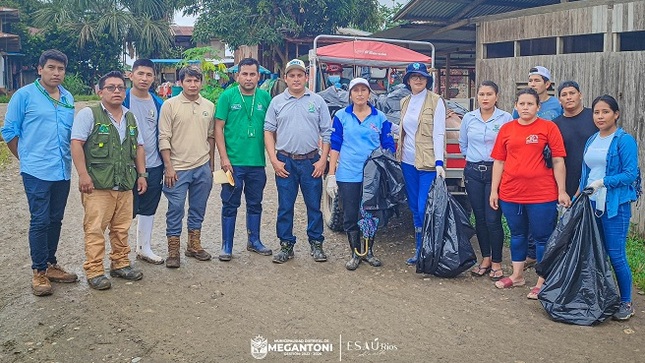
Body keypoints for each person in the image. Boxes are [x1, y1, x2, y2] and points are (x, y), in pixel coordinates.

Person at [1, 49, 78, 296]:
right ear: (40, 69)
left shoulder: (67, 98)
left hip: (62, 169)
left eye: (61, 69)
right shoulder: (24, 96)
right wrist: (26, 159)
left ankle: (51, 264)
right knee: (40, 220)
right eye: (51, 68)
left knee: (56, 219)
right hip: (36, 171)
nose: (56, 73)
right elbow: (9, 132)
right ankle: (39, 271)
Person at [489, 88, 570, 299]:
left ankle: (542, 281)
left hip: (542, 194)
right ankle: (517, 276)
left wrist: (561, 190)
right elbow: (499, 161)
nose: (526, 108)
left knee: (543, 237)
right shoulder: (507, 129)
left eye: (530, 104)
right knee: (517, 234)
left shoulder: (548, 128)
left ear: (538, 107)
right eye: (522, 104)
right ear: (515, 106)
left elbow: (558, 160)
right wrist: (494, 191)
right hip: (510, 192)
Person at [70, 71, 147, 290]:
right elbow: (76, 144)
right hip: (98, 185)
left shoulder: (130, 116)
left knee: (121, 228)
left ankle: (120, 263)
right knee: (95, 229)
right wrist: (83, 175)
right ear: (100, 91)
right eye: (111, 87)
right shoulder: (89, 114)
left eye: (121, 88)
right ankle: (94, 271)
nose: (116, 91)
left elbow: (139, 147)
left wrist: (142, 175)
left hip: (124, 183)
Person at [264, 59, 332, 264]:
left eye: (299, 75)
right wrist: (274, 160)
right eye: (291, 75)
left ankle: (316, 243)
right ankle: (286, 245)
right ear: (285, 78)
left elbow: (327, 132)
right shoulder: (277, 102)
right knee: (285, 206)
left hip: (311, 160)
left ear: (306, 77)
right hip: (285, 161)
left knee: (314, 205)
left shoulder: (317, 101)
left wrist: (322, 162)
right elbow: (268, 131)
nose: (296, 79)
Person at [326, 77, 396, 270]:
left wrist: (386, 165)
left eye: (363, 90)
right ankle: (355, 252)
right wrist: (331, 173)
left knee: (370, 213)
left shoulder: (379, 117)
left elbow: (388, 144)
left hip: (372, 175)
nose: (359, 94)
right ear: (350, 94)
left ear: (369, 94)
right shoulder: (341, 116)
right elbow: (335, 144)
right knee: (350, 214)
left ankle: (369, 251)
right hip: (348, 173)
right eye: (355, 90)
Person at [580, 94, 639, 321]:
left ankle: (626, 302)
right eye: (596, 112)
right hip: (592, 204)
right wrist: (579, 195)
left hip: (614, 206)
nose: (600, 116)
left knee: (616, 255)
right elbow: (586, 172)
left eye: (605, 112)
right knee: (596, 253)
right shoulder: (592, 139)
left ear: (616, 114)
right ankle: (605, 295)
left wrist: (603, 182)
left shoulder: (624, 140)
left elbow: (630, 174)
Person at [214, 58, 273, 261]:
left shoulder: (265, 97)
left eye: (252, 74)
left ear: (258, 76)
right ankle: (226, 245)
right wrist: (223, 157)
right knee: (229, 203)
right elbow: (218, 128)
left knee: (255, 203)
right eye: (244, 74)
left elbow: (271, 130)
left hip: (257, 162)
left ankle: (254, 240)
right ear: (237, 75)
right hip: (232, 163)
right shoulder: (227, 97)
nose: (248, 78)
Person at [159, 66, 215, 268]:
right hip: (177, 168)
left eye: (196, 81)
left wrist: (211, 164)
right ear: (180, 83)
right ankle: (173, 250)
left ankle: (194, 244)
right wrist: (168, 166)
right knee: (175, 208)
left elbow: (211, 136)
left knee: (198, 208)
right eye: (188, 81)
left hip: (202, 167)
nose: (193, 85)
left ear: (201, 83)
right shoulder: (170, 106)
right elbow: (163, 137)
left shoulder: (208, 105)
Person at [459, 81, 513, 280]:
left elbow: (509, 146)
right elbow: (463, 143)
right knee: (479, 218)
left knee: (493, 218)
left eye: (489, 94)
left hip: (495, 172)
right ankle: (486, 258)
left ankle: (497, 262)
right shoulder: (468, 118)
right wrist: (472, 158)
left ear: (496, 96)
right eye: (481, 94)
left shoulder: (506, 118)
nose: (485, 98)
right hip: (473, 172)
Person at [512, 66, 563, 269]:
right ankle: (531, 254)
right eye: (530, 80)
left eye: (537, 80)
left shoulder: (556, 106)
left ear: (547, 84)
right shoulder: (519, 109)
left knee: (544, 219)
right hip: (524, 170)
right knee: (524, 220)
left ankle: (548, 261)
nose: (533, 84)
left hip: (549, 165)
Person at [397, 62, 446, 265]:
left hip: (427, 163)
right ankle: (419, 249)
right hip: (407, 161)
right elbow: (404, 131)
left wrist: (439, 162)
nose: (418, 79)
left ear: (427, 80)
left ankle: (431, 249)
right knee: (413, 207)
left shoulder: (436, 102)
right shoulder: (405, 102)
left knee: (423, 205)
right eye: (414, 76)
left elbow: (439, 132)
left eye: (422, 76)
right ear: (408, 80)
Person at [124, 59, 165, 264]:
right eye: (140, 74)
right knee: (124, 210)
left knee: (148, 207)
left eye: (149, 75)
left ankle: (144, 247)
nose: (144, 78)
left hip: (153, 163)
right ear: (131, 75)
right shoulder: (121, 99)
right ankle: (120, 253)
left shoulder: (158, 103)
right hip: (126, 166)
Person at [553, 81, 598, 198]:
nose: (568, 97)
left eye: (572, 93)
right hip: (567, 182)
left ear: (580, 95)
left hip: (595, 178)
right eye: (564, 95)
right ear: (559, 100)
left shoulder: (595, 117)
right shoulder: (555, 125)